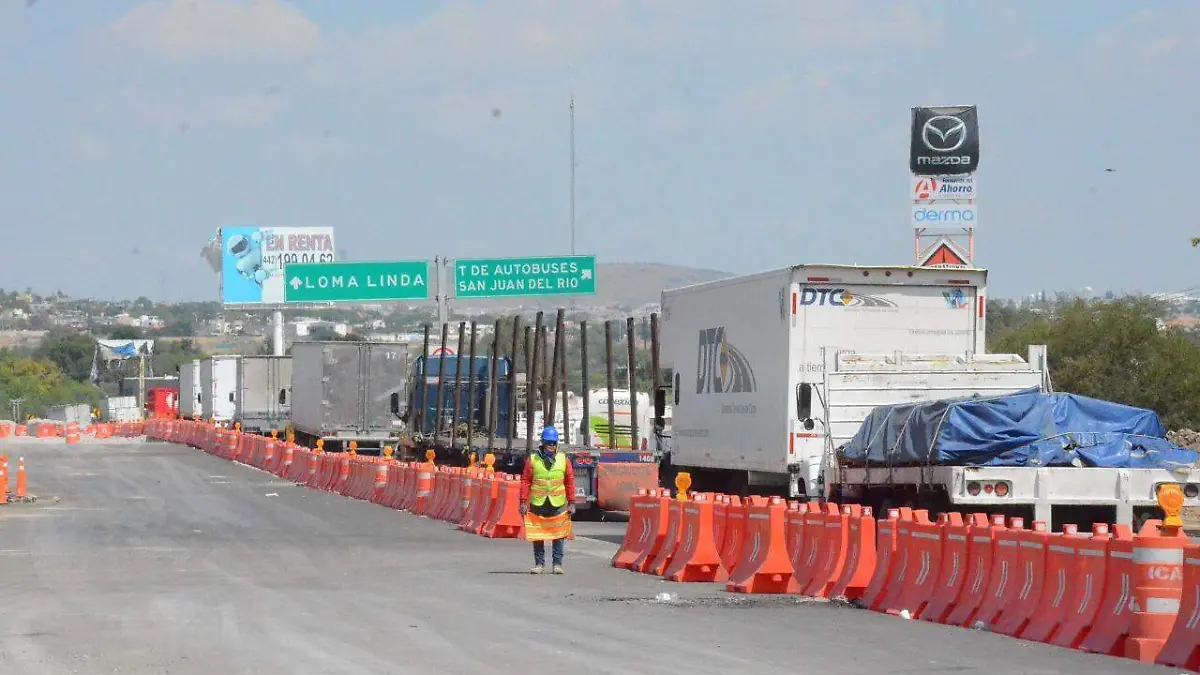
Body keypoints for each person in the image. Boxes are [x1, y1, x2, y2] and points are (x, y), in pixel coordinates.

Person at [519, 426, 576, 574]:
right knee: (538, 534)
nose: (551, 446)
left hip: (557, 502)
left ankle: (557, 564)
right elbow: (526, 481)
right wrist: (523, 502)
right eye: (548, 443)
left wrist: (572, 503)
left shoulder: (564, 460)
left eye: (554, 443)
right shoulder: (533, 460)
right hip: (538, 502)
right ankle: (539, 564)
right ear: (543, 443)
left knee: (559, 534)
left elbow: (569, 481)